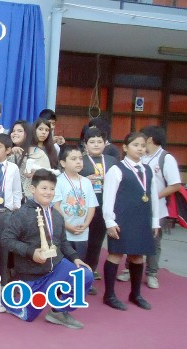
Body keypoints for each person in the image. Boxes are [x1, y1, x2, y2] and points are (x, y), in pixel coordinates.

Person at [1, 169, 93, 329]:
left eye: (51, 189)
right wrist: (31, 252)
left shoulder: (56, 215)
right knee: (28, 317)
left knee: (84, 274)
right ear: (32, 189)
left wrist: (76, 258)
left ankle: (58, 311)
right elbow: (6, 240)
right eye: (44, 188)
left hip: (56, 267)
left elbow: (63, 242)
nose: (48, 192)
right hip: (32, 275)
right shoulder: (21, 214)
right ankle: (8, 301)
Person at [116, 126, 181, 289]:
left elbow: (175, 185)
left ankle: (152, 273)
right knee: (132, 237)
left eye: (142, 141)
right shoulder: (141, 157)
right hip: (135, 208)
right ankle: (129, 269)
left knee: (152, 241)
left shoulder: (166, 158)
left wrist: (152, 197)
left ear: (149, 139)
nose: (140, 146)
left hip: (156, 209)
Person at [102, 132, 159, 311]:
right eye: (136, 145)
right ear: (125, 147)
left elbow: (154, 197)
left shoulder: (148, 170)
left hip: (142, 219)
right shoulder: (116, 169)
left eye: (143, 146)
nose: (140, 149)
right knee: (116, 254)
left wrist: (155, 221)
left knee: (138, 256)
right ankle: (109, 295)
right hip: (121, 219)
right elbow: (108, 197)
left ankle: (135, 294)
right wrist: (109, 221)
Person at [80, 128, 118, 286]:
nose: (96, 145)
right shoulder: (79, 160)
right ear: (85, 145)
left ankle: (89, 274)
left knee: (96, 243)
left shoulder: (112, 161)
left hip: (104, 208)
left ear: (105, 143)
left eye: (99, 142)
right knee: (82, 243)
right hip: (82, 209)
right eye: (92, 142)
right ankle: (77, 275)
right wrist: (84, 179)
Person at [53, 145, 98, 279]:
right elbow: (56, 206)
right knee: (63, 263)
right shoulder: (59, 181)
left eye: (80, 158)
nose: (78, 162)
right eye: (73, 159)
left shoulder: (86, 182)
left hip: (82, 232)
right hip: (64, 232)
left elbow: (91, 206)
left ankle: (76, 287)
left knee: (79, 261)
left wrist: (86, 224)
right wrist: (67, 226)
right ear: (63, 163)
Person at [0, 134, 21, 285]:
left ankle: (1, 281)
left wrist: (16, 209)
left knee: (3, 249)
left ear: (8, 150)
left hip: (6, 212)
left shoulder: (13, 168)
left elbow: (16, 191)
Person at [9, 120, 50, 200]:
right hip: (10, 198)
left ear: (27, 134)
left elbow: (48, 177)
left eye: (20, 131)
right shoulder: (9, 152)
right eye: (13, 131)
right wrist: (9, 152)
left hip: (32, 199)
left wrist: (35, 174)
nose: (15, 133)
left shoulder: (39, 154)